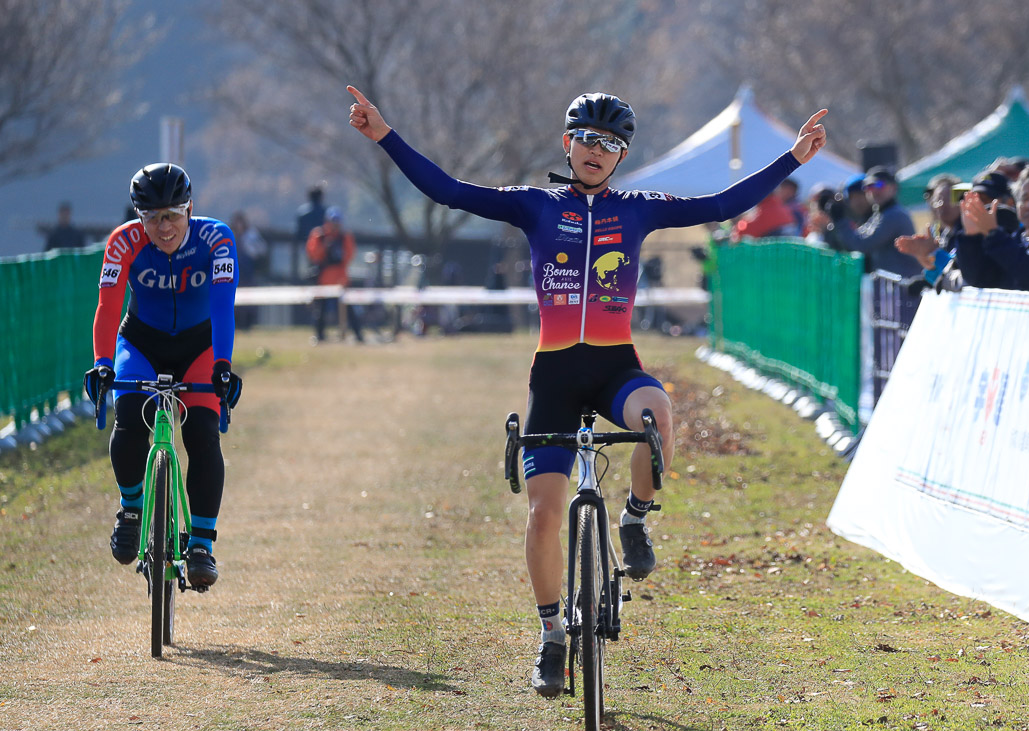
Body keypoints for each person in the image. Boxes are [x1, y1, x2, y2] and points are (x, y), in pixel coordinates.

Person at [347, 84, 828, 698]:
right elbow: (450, 192)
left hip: (613, 370)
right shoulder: (535, 206)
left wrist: (792, 159)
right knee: (544, 513)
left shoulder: (639, 209)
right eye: (587, 139)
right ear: (567, 143)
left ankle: (634, 519)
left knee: (657, 412)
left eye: (611, 144)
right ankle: (551, 636)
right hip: (553, 375)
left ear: (621, 156)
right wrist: (384, 135)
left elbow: (721, 203)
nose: (597, 151)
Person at [82, 163, 243, 588]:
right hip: (142, 343)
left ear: (190, 208)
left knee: (204, 433)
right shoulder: (123, 242)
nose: (163, 226)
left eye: (171, 214)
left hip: (201, 345)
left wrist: (223, 366)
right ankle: (132, 509)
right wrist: (102, 363)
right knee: (130, 415)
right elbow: (108, 307)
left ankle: (202, 544)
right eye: (151, 217)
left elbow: (224, 306)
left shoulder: (216, 238)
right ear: (138, 216)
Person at [957, 162, 1029, 292]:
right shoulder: (1014, 238)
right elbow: (979, 279)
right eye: (1024, 198)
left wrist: (993, 233)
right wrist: (971, 236)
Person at [825, 166, 921, 277]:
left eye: (879, 184)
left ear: (893, 188)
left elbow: (861, 244)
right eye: (869, 186)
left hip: (904, 286)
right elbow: (857, 237)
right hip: (893, 285)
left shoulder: (895, 215)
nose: (874, 190)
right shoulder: (880, 213)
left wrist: (840, 220)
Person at [307, 206, 364, 343]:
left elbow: (349, 255)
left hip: (341, 279)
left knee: (349, 309)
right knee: (320, 310)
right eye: (333, 222)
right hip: (323, 279)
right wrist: (325, 247)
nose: (335, 225)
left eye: (337, 222)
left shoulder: (345, 237)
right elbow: (313, 254)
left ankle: (358, 335)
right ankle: (319, 336)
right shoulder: (318, 236)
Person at [230, 210, 268, 330]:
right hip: (235, 272)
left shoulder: (251, 235)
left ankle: (248, 324)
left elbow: (262, 249)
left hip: (248, 271)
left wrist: (251, 250)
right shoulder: (231, 235)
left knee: (249, 300)